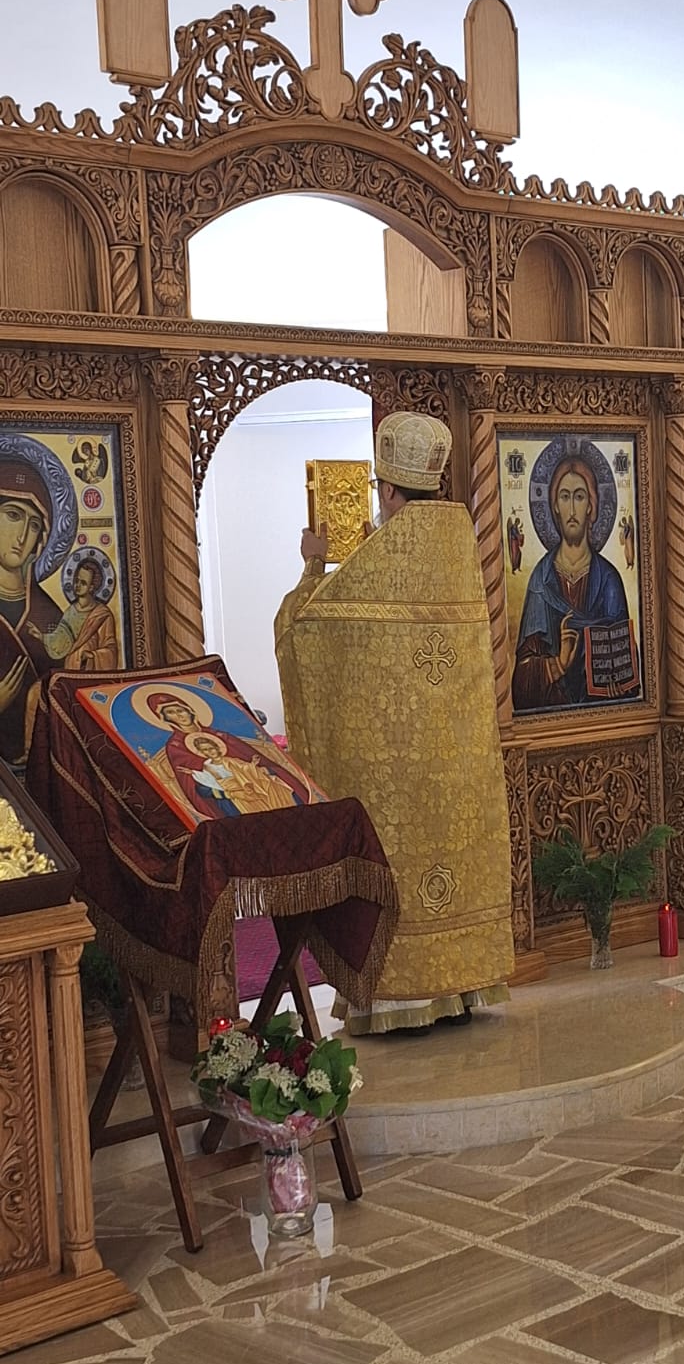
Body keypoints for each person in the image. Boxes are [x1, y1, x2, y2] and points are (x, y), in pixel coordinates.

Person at [275, 410, 514, 1036]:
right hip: (453, 766)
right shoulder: (460, 542)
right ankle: (458, 988)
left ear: (385, 490)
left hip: (394, 777)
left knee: (399, 869)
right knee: (449, 860)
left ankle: (398, 998)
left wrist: (313, 565)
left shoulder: (377, 560)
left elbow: (300, 629)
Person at [512, 457, 637, 710]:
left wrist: (621, 683)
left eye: (579, 497)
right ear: (554, 506)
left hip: (604, 715)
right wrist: (558, 664)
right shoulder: (541, 581)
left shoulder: (609, 579)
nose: (571, 510)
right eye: (564, 497)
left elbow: (626, 662)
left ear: (591, 506)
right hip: (552, 716)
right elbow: (520, 682)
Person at [143, 693, 312, 821]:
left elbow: (255, 759)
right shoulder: (176, 746)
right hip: (227, 794)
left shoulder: (221, 735)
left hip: (255, 781)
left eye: (180, 710)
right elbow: (193, 785)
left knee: (280, 787)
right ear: (166, 719)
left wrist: (259, 770)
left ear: (190, 711)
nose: (179, 715)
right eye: (171, 713)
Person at [0, 459, 65, 767]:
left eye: (34, 524)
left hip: (36, 771)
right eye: (13, 515)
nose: (23, 536)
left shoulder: (49, 615)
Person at [28, 558, 119, 672]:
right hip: (71, 666)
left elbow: (111, 650)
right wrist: (41, 636)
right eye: (76, 580)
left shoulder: (102, 615)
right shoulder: (71, 611)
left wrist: (92, 655)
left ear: (91, 587)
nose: (78, 585)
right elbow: (60, 639)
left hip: (91, 670)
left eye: (83, 583)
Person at [188, 731, 299, 814]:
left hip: (252, 787)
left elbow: (246, 769)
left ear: (217, 747)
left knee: (276, 786)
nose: (210, 751)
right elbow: (211, 784)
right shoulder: (208, 767)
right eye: (205, 750)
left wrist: (253, 765)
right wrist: (195, 773)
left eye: (211, 748)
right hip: (239, 796)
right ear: (201, 752)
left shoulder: (232, 760)